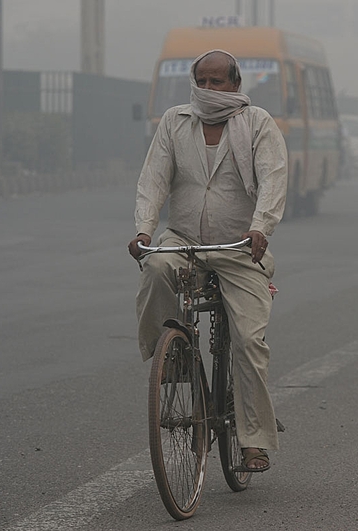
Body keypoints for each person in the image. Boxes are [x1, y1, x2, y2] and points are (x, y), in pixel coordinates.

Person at [127, 49, 288, 472]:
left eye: (219, 81)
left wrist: (261, 228)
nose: (210, 89)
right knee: (157, 268)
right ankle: (174, 359)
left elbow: (273, 179)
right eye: (204, 81)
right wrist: (144, 229)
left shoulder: (257, 124)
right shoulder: (175, 122)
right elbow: (153, 179)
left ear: (236, 85)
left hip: (239, 247)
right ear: (194, 82)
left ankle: (254, 440)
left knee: (249, 342)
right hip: (183, 238)